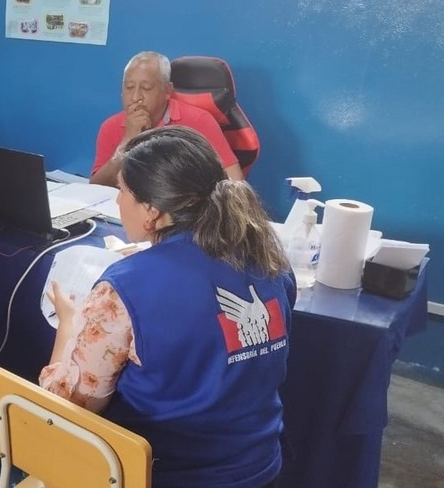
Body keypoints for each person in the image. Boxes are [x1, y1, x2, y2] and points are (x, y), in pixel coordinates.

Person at [43, 125, 293, 488]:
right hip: (260, 468)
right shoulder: (269, 260)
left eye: (122, 191)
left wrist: (68, 326)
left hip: (165, 475)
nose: (118, 201)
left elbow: (71, 407)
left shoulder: (125, 287)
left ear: (152, 210)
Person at [89, 51, 244, 187]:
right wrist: (126, 143)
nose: (135, 97)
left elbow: (235, 183)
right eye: (129, 87)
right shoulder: (110, 126)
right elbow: (96, 187)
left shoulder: (199, 121)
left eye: (146, 88)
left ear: (167, 91)